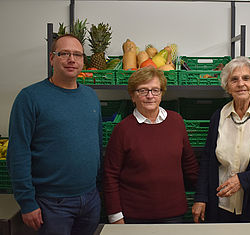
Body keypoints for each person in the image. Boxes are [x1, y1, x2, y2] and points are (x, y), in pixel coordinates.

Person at [7, 34, 102, 234]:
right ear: (52, 58)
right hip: (51, 204)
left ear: (83, 61)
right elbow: (18, 153)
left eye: (77, 54)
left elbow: (97, 143)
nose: (71, 59)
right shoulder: (29, 97)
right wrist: (27, 202)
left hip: (90, 198)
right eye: (64, 53)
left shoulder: (91, 96)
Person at [192, 56, 250, 223]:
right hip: (221, 204)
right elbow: (207, 161)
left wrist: (242, 180)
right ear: (227, 86)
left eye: (246, 78)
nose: (241, 83)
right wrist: (201, 197)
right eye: (234, 79)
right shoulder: (218, 116)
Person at [103, 66, 199, 224]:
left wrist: (203, 196)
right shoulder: (122, 130)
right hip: (134, 217)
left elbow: (190, 165)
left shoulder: (176, 121)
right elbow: (110, 176)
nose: (150, 96)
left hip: (174, 214)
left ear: (162, 93)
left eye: (155, 90)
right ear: (133, 96)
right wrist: (115, 216)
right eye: (143, 91)